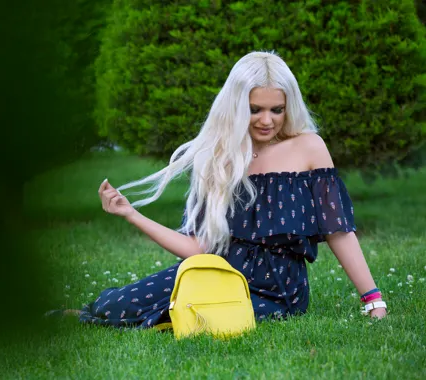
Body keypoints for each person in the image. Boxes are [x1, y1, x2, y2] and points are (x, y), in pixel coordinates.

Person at [75, 51, 387, 329]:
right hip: (215, 269)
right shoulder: (218, 156)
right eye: (255, 109)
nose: (267, 120)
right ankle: (84, 315)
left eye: (277, 109)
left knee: (203, 317)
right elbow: (198, 248)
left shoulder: (309, 147)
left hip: (277, 288)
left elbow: (338, 231)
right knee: (114, 306)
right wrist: (131, 214)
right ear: (236, 106)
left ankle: (168, 319)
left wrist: (372, 300)